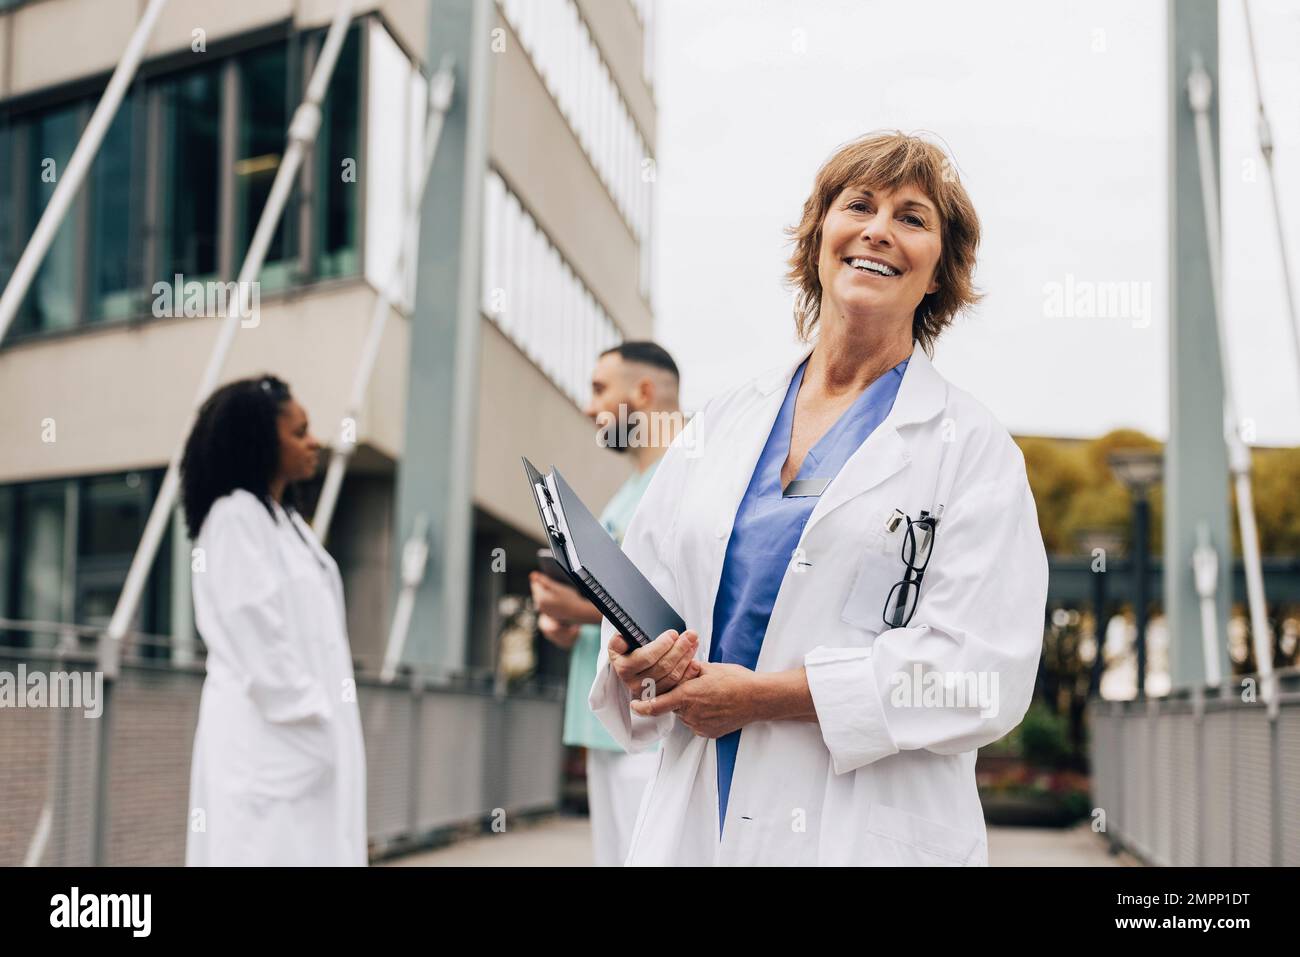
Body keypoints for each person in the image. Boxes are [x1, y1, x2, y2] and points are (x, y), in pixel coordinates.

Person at [589, 132, 1049, 866]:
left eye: (912, 217)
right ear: (820, 239)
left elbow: (982, 675)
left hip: (864, 831)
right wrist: (636, 656)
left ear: (938, 273)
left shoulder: (973, 449)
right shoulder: (724, 422)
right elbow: (650, 595)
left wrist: (764, 696)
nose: (878, 229)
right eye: (858, 205)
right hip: (701, 814)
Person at [180, 374, 366, 866]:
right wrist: (313, 716)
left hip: (295, 744)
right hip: (269, 740)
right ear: (260, 441)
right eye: (299, 431)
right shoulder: (234, 518)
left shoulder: (281, 521)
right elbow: (255, 632)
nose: (314, 442)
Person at [529, 341, 691, 866]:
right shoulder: (627, 493)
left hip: (652, 726)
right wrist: (573, 626)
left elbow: (679, 609)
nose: (586, 405)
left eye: (600, 389)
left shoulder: (690, 477)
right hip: (607, 729)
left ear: (643, 393)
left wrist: (583, 610)